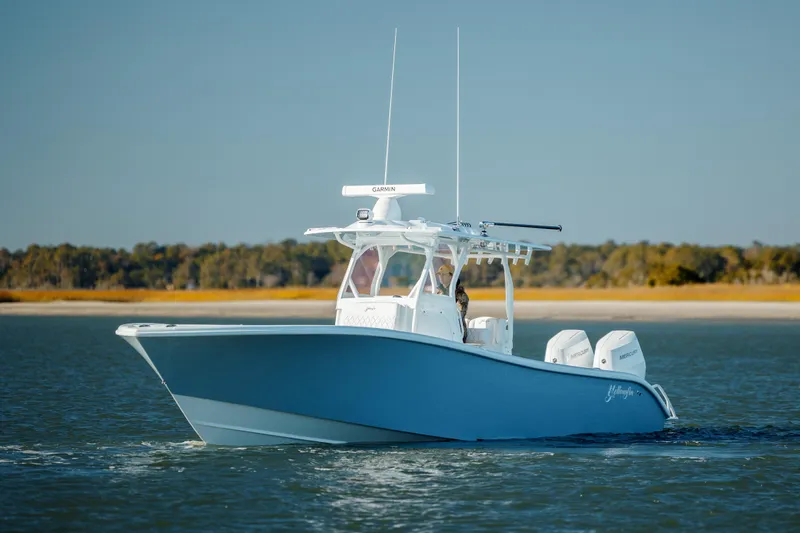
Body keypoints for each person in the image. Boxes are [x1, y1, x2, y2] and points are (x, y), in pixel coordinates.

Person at [436, 263, 469, 342]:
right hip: (441, 329)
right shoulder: (438, 293)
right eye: (439, 274)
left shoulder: (460, 294)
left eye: (443, 274)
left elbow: (460, 314)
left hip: (457, 332)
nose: (441, 277)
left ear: (451, 276)